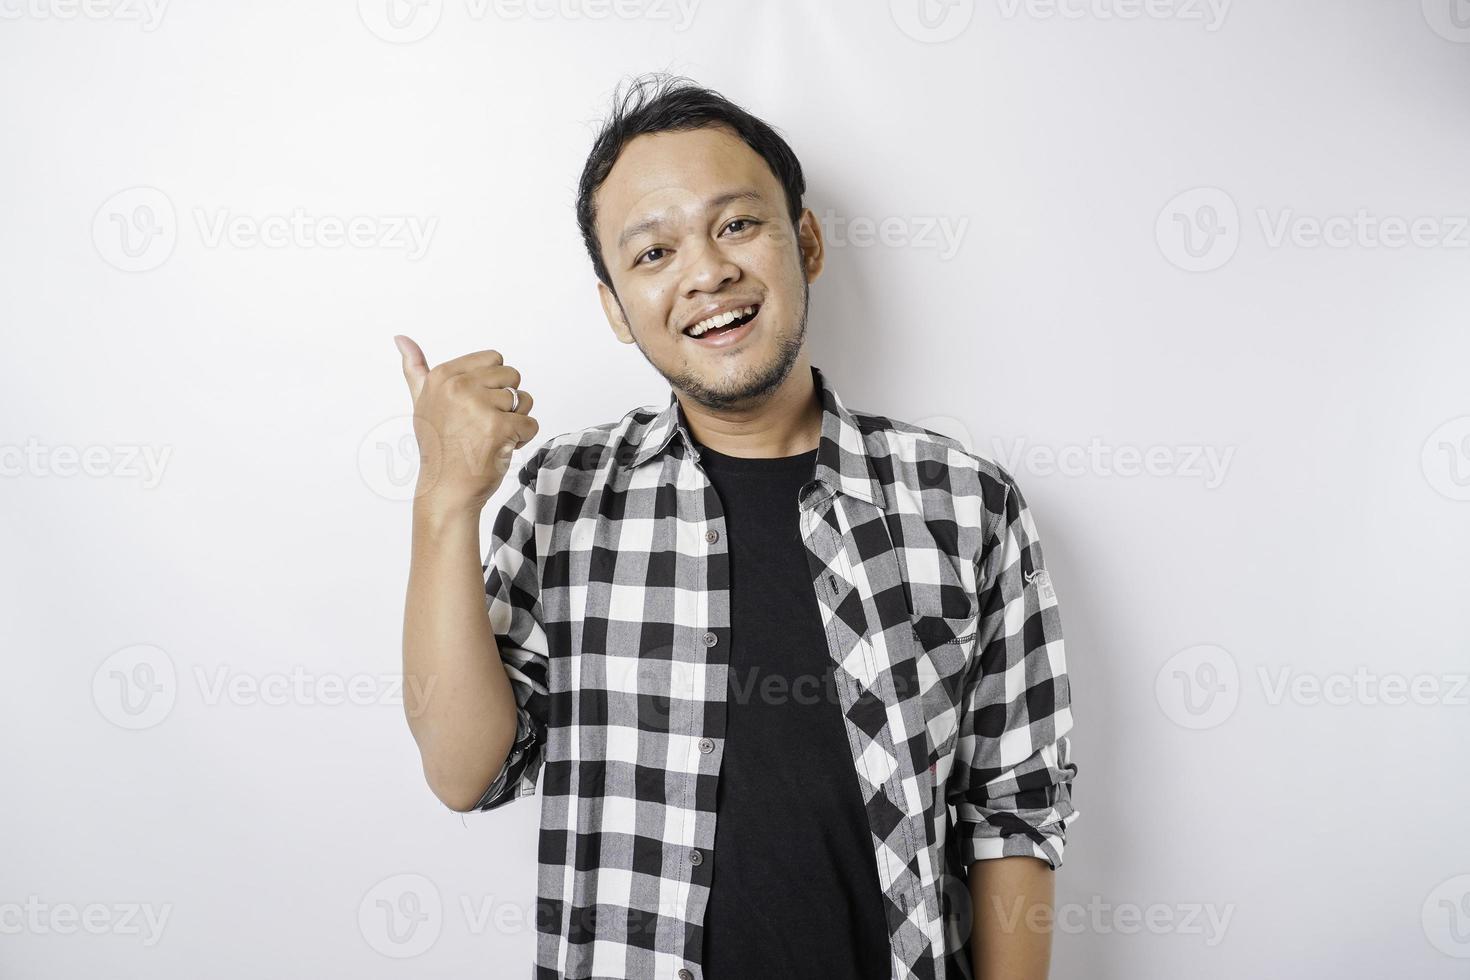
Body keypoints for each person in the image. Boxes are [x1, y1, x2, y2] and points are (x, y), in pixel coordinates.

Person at [395, 72, 1078, 980]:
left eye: (737, 225)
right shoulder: (563, 494)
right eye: (652, 254)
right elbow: (463, 770)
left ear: (805, 240)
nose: (707, 272)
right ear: (614, 307)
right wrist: (446, 502)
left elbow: (1012, 808)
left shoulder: (965, 503)